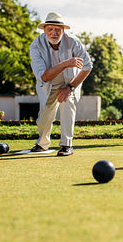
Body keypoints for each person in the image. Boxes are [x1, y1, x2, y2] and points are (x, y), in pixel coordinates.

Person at [29, 12, 92, 156]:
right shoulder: (36, 46)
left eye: (58, 29)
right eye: (50, 29)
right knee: (45, 116)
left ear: (63, 30)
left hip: (70, 82)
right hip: (48, 84)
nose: (54, 33)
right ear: (44, 30)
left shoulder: (74, 42)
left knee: (67, 106)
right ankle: (42, 143)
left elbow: (87, 66)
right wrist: (65, 64)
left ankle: (66, 145)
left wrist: (70, 88)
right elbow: (44, 77)